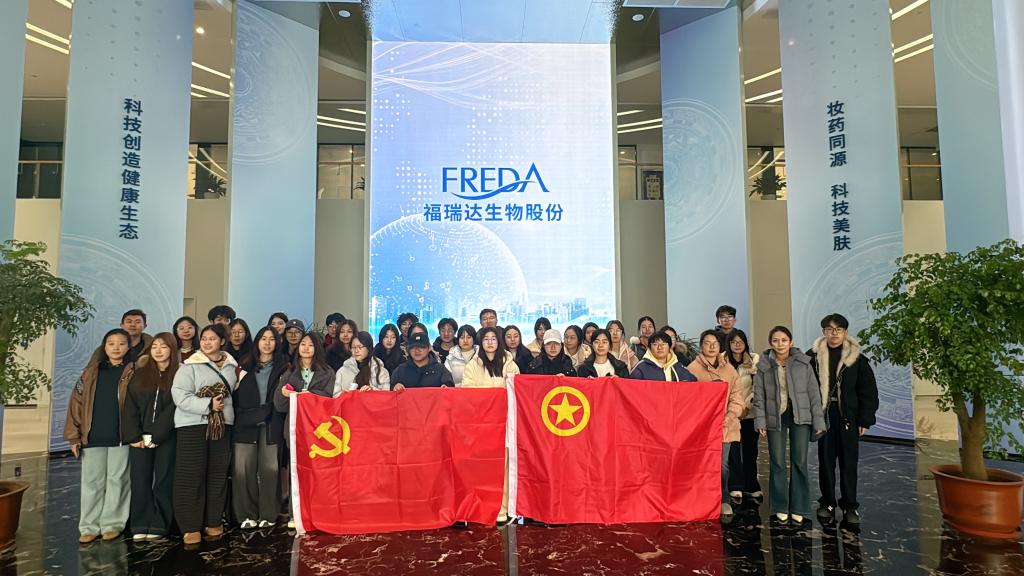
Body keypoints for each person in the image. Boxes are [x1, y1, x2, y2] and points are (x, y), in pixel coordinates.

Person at [65, 328, 138, 544]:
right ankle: (89, 526)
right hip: (93, 435)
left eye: (121, 344)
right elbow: (76, 403)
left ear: (128, 347)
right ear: (104, 346)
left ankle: (112, 524)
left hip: (121, 436)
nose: (116, 348)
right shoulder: (89, 373)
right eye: (111, 343)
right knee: (91, 482)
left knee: (118, 480)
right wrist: (73, 436)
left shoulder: (134, 371)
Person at [807, 313, 879, 525]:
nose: (834, 333)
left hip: (848, 416)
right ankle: (827, 503)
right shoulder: (812, 357)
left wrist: (865, 420)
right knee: (825, 461)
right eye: (829, 329)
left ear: (845, 332)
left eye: (838, 329)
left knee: (849, 462)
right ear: (824, 332)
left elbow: (868, 391)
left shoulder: (856, 359)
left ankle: (850, 505)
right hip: (824, 415)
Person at [171, 324, 239, 545]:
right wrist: (208, 404)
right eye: (204, 339)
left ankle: (213, 520)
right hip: (193, 425)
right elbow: (179, 396)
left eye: (212, 338)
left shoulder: (231, 366)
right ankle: (190, 525)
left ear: (222, 341)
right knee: (191, 474)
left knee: (217, 473)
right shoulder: (189, 366)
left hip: (222, 425)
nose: (207, 342)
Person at [752, 326, 825, 526]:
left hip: (801, 415)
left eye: (784, 340)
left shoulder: (803, 363)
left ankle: (799, 507)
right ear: (771, 343)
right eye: (776, 340)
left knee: (799, 460)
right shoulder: (764, 365)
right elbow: (759, 396)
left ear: (791, 342)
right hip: (775, 416)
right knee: (777, 461)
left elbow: (814, 394)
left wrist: (818, 420)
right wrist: (760, 421)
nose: (780, 344)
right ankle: (780, 506)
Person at [274, 332, 335, 530]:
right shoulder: (289, 372)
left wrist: (310, 396)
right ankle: (296, 513)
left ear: (317, 348)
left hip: (319, 431)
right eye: (303, 344)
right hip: (295, 430)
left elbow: (330, 399)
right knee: (296, 472)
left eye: (310, 344)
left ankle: (320, 512)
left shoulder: (327, 372)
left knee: (320, 473)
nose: (306, 348)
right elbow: (279, 405)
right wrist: (283, 394)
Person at [461, 326, 519, 525]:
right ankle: (483, 507)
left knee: (504, 467)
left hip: (505, 424)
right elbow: (468, 392)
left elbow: (516, 391)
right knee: (483, 468)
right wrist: (491, 397)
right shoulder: (473, 365)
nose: (490, 342)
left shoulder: (510, 364)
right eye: (486, 339)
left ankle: (503, 508)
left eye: (494, 338)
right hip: (482, 425)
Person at [124, 332, 179, 542]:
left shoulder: (179, 374)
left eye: (163, 346)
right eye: (154, 346)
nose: (158, 350)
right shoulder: (140, 375)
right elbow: (130, 406)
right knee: (140, 480)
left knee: (164, 479)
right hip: (139, 437)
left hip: (167, 436)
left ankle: (160, 523)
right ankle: (139, 522)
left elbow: (175, 406)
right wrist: (134, 435)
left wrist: (158, 434)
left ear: (172, 350)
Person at [232, 326, 288, 529]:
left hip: (271, 423)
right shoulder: (243, 366)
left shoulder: (284, 367)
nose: (267, 343)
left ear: (277, 343)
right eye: (263, 338)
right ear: (257, 342)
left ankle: (269, 513)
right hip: (245, 423)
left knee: (270, 469)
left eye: (272, 339)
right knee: (243, 469)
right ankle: (247, 514)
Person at [687, 330, 746, 520]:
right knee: (701, 465)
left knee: (722, 465)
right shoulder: (692, 369)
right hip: (701, 429)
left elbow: (737, 397)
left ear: (720, 346)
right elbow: (689, 401)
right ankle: (702, 500)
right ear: (701, 346)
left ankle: (723, 499)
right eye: (707, 343)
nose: (711, 347)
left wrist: (728, 417)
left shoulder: (730, 370)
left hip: (725, 427)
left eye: (715, 343)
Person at [725, 329, 762, 500]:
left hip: (749, 413)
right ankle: (735, 485)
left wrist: (746, 405)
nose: (737, 345)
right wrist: (734, 409)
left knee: (750, 451)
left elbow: (757, 386)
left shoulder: (754, 360)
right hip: (730, 414)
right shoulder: (722, 361)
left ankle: (752, 484)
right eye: (733, 342)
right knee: (733, 452)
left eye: (740, 341)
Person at [629, 331, 697, 381]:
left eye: (663, 344)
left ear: (669, 347)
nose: (660, 347)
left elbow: (693, 384)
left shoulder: (678, 367)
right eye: (655, 344)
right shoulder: (641, 368)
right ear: (649, 348)